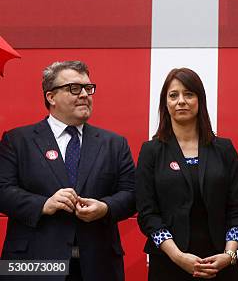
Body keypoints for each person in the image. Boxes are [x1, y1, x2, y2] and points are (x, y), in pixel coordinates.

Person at [0, 60, 136, 281]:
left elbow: (132, 194)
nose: (84, 94)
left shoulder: (114, 143)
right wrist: (43, 204)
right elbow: (3, 190)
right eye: (74, 88)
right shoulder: (17, 140)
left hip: (98, 265)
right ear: (50, 97)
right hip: (33, 263)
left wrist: (105, 208)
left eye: (88, 88)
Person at [136, 68, 238, 280]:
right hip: (168, 264)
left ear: (200, 100)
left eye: (189, 94)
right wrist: (177, 256)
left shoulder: (224, 149)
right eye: (173, 95)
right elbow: (148, 214)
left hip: (221, 266)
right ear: (165, 103)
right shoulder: (151, 151)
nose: (181, 101)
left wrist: (229, 254)